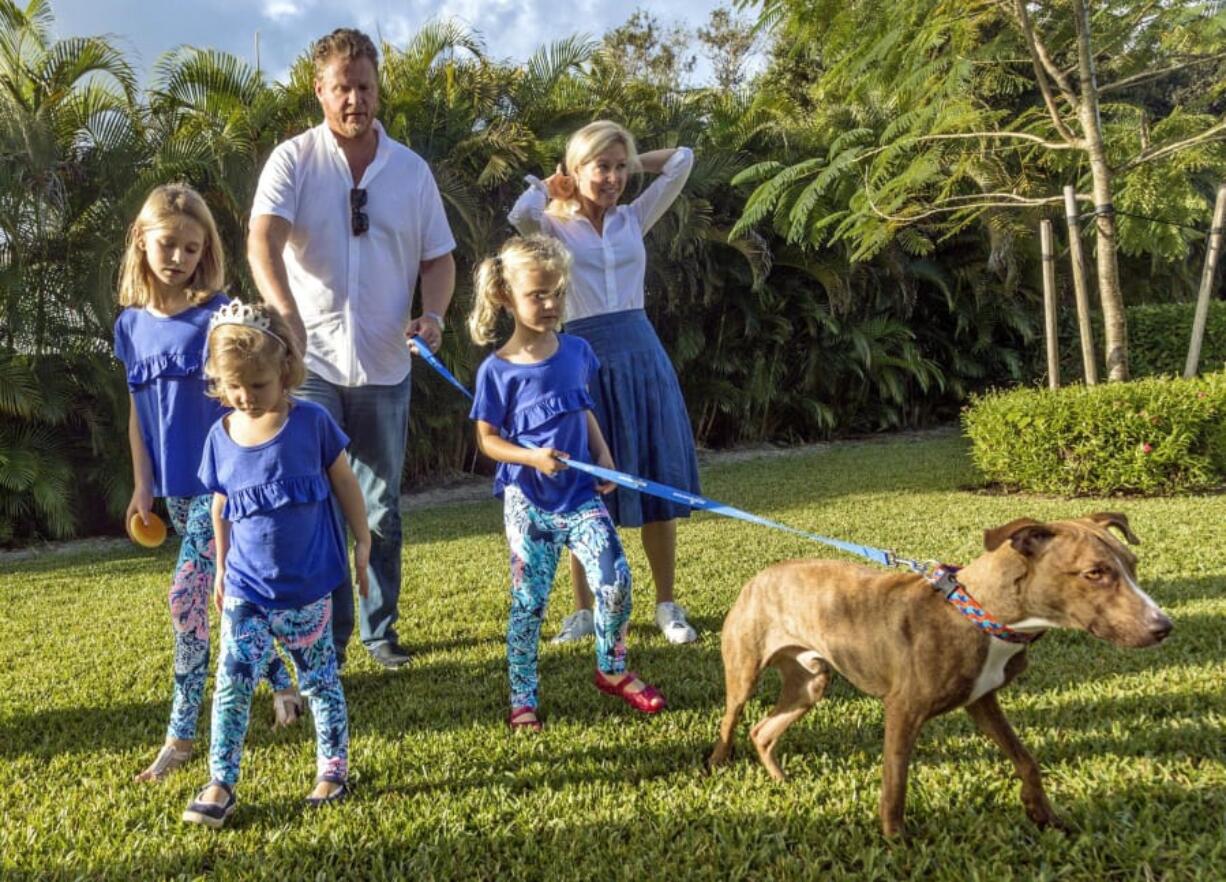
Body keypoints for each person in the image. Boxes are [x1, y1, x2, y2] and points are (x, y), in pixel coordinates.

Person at [248, 27, 456, 669]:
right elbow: (263, 240)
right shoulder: (293, 161)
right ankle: (324, 641)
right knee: (315, 505)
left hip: (387, 366)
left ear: (377, 86)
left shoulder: (411, 171)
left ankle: (379, 631)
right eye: (342, 88)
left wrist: (435, 316)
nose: (354, 100)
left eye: (364, 86)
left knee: (382, 506)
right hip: (308, 370)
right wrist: (286, 317)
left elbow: (439, 257)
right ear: (320, 91)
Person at [114, 184, 301, 784]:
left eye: (192, 249)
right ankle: (282, 687)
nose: (179, 258)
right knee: (230, 595)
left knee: (187, 598)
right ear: (142, 242)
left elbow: (257, 390)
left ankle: (181, 736)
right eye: (168, 245)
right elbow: (138, 413)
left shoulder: (217, 316)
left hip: (224, 485)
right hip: (173, 488)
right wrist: (142, 485)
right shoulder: (130, 327)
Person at [508, 120, 700, 646]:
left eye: (619, 167)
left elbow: (682, 158)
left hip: (641, 355)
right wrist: (556, 186)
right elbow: (519, 213)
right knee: (583, 488)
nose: (613, 177)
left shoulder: (634, 217)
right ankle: (585, 611)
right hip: (583, 359)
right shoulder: (552, 227)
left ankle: (667, 604)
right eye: (602, 166)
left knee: (654, 473)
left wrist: (631, 157)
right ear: (576, 169)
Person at [467, 235, 667, 732]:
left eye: (557, 292)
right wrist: (531, 457)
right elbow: (488, 442)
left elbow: (580, 407)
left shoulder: (577, 351)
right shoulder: (497, 371)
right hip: (528, 501)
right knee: (529, 601)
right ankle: (522, 698)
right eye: (538, 295)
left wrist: (601, 453)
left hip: (579, 494)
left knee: (615, 579)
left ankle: (612, 668)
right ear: (505, 297)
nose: (552, 303)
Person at [182, 302, 369, 828]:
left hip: (308, 589)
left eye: (258, 385)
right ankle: (221, 780)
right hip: (246, 589)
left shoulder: (311, 422)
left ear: (285, 370)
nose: (245, 397)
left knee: (319, 683)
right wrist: (220, 568)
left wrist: (362, 540)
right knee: (233, 684)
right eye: (232, 386)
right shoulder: (220, 437)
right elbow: (220, 506)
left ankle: (333, 768)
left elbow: (346, 482)